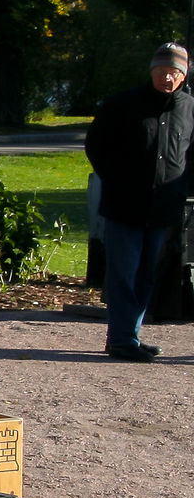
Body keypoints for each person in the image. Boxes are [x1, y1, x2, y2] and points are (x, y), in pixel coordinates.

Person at [84, 41, 194, 363]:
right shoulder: (122, 104)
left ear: (184, 76)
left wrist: (183, 188)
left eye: (174, 72)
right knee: (124, 274)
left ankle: (126, 335)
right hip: (124, 205)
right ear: (151, 71)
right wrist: (116, 179)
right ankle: (122, 340)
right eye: (161, 71)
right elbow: (96, 146)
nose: (167, 78)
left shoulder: (189, 108)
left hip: (163, 207)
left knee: (146, 275)